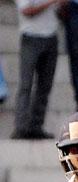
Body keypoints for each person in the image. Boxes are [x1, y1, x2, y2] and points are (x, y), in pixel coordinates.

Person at [11, 0, 67, 139]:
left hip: (51, 37)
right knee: (26, 84)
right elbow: (27, 11)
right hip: (30, 37)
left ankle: (36, 126)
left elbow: (62, 14)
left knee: (45, 85)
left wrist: (63, 6)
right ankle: (21, 127)